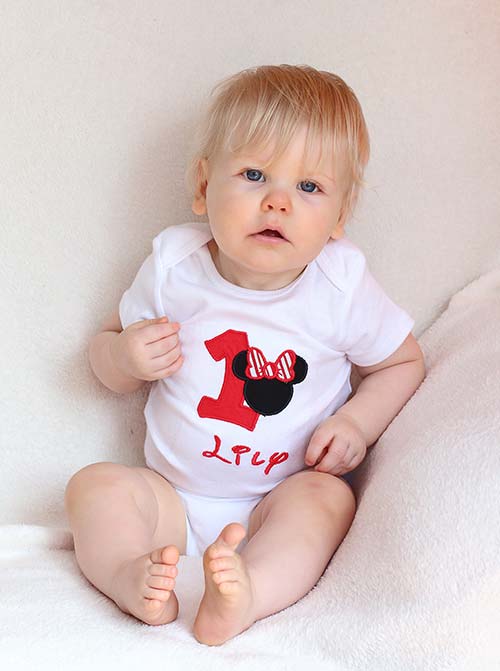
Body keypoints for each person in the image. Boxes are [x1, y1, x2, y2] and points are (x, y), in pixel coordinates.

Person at [64, 64, 426, 646]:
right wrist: (125, 358)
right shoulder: (175, 266)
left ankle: (249, 592)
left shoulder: (341, 286)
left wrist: (355, 423)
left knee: (328, 500)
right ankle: (129, 574)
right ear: (205, 186)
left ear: (341, 214)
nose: (277, 203)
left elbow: (402, 363)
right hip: (172, 498)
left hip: (276, 497)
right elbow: (104, 354)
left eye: (309, 187)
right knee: (93, 486)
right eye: (254, 175)